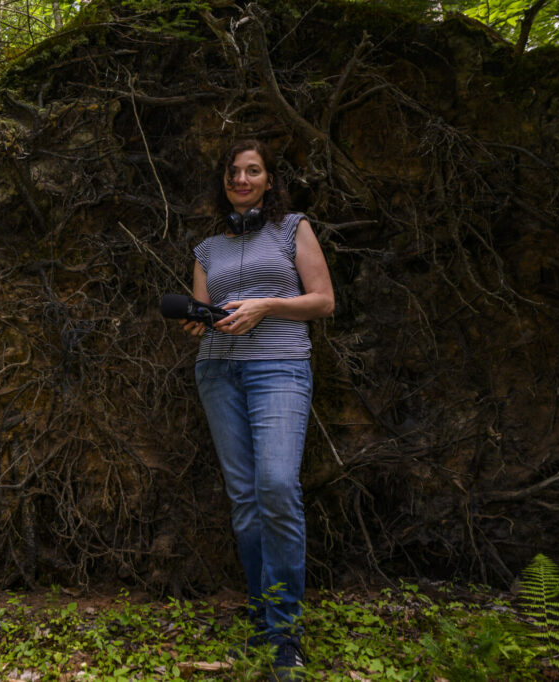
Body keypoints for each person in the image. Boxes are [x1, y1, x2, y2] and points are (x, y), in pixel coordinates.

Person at [181, 139, 334, 679]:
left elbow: (323, 300)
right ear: (222, 181)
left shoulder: (293, 228)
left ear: (270, 180)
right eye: (233, 172)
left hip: (279, 368)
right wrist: (199, 319)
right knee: (245, 499)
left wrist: (266, 305)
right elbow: (205, 310)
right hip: (218, 371)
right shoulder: (207, 250)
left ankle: (285, 633)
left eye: (253, 171)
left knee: (276, 486)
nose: (241, 179)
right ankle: (262, 618)